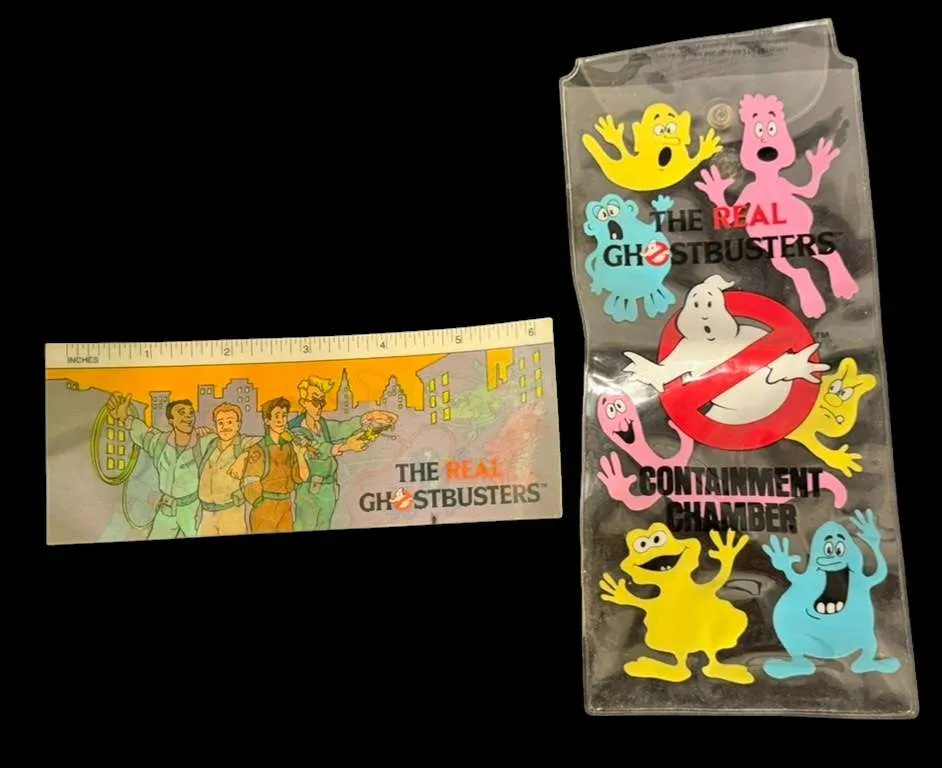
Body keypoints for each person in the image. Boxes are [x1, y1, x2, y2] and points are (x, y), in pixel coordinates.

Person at [288, 376, 397, 531]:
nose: (320, 407)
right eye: (315, 402)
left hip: (328, 489)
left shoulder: (323, 425)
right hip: (308, 491)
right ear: (303, 402)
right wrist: (346, 446)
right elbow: (315, 448)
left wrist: (366, 418)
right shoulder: (295, 430)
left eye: (322, 402)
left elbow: (342, 427)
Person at [106, 393, 214, 539]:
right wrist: (123, 416)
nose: (188, 417)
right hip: (166, 508)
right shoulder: (160, 442)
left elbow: (227, 443)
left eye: (191, 413)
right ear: (171, 420)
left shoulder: (204, 442)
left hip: (192, 510)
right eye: (182, 413)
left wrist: (212, 432)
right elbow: (142, 433)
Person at [238, 397, 309, 533]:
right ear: (267, 420)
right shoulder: (259, 448)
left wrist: (300, 455)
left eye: (284, 416)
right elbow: (250, 481)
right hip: (265, 508)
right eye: (276, 416)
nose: (281, 420)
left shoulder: (289, 448)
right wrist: (259, 502)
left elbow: (303, 477)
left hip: (286, 507)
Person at [196, 402, 260, 536]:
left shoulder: (242, 443)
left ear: (238, 425)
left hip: (231, 512)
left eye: (230, 422)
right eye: (220, 423)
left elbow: (265, 443)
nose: (225, 427)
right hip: (206, 514)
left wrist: (243, 456)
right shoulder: (212, 443)